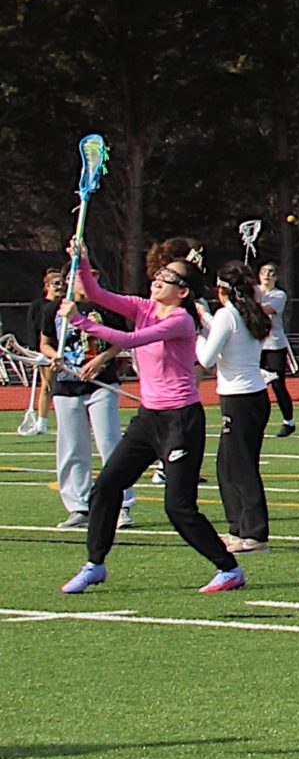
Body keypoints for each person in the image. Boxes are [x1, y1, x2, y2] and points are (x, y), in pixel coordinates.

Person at [58, 238, 239, 594]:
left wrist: (79, 321)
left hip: (180, 421)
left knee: (178, 506)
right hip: (148, 419)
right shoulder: (143, 306)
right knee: (106, 487)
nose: (157, 279)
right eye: (158, 274)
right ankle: (94, 563)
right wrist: (82, 259)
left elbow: (129, 340)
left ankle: (228, 568)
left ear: (183, 291)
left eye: (167, 277)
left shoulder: (180, 322)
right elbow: (97, 292)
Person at [38, 264, 133, 533]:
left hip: (101, 383)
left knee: (109, 442)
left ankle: (121, 504)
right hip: (67, 387)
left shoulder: (106, 307)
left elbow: (121, 339)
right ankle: (78, 506)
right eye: (77, 278)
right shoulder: (53, 309)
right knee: (72, 447)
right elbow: (45, 341)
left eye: (88, 277)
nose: (82, 282)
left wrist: (101, 360)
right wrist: (53, 356)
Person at [200, 263, 274, 554]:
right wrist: (204, 318)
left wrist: (192, 336)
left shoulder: (227, 314)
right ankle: (238, 528)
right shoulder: (243, 313)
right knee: (226, 466)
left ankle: (255, 534)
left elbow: (206, 358)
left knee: (241, 468)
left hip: (240, 398)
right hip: (250, 396)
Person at [254, 263, 295, 436]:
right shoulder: (254, 291)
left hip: (274, 345)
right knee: (256, 386)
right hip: (255, 345)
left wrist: (249, 302)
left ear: (276, 277)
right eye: (263, 272)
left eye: (271, 273)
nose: (267, 275)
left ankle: (289, 422)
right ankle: (257, 422)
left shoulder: (279, 295)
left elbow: (267, 310)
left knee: (277, 384)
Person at [19, 271, 53, 436]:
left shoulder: (66, 304)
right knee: (47, 386)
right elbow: (33, 329)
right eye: (56, 283)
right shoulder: (38, 306)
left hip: (68, 351)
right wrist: (33, 352)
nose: (60, 287)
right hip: (45, 351)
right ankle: (42, 422)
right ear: (47, 286)